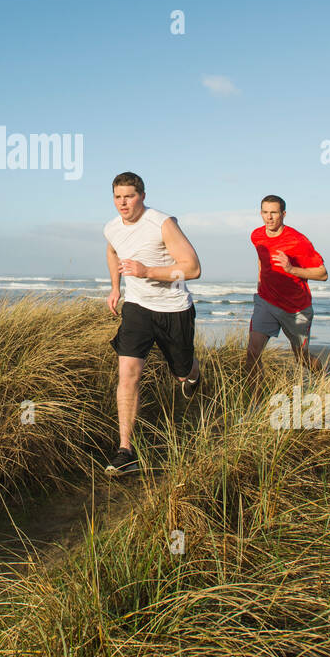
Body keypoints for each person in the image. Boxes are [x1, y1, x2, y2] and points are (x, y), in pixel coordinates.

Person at [103, 172, 201, 475]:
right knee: (128, 373)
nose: (123, 202)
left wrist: (147, 271)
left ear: (142, 196)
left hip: (174, 310)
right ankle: (125, 450)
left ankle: (193, 373)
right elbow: (112, 250)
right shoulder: (111, 227)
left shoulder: (162, 223)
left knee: (183, 373)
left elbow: (193, 269)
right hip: (137, 309)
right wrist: (116, 287)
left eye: (129, 196)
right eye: (118, 197)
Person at [245, 194, 327, 397]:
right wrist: (260, 283)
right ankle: (255, 405)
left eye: (274, 213)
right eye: (265, 212)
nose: (269, 218)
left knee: (301, 357)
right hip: (266, 301)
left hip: (295, 307)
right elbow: (262, 260)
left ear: (283, 214)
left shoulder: (298, 241)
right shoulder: (256, 235)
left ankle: (325, 378)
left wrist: (291, 269)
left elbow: (322, 273)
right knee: (252, 354)